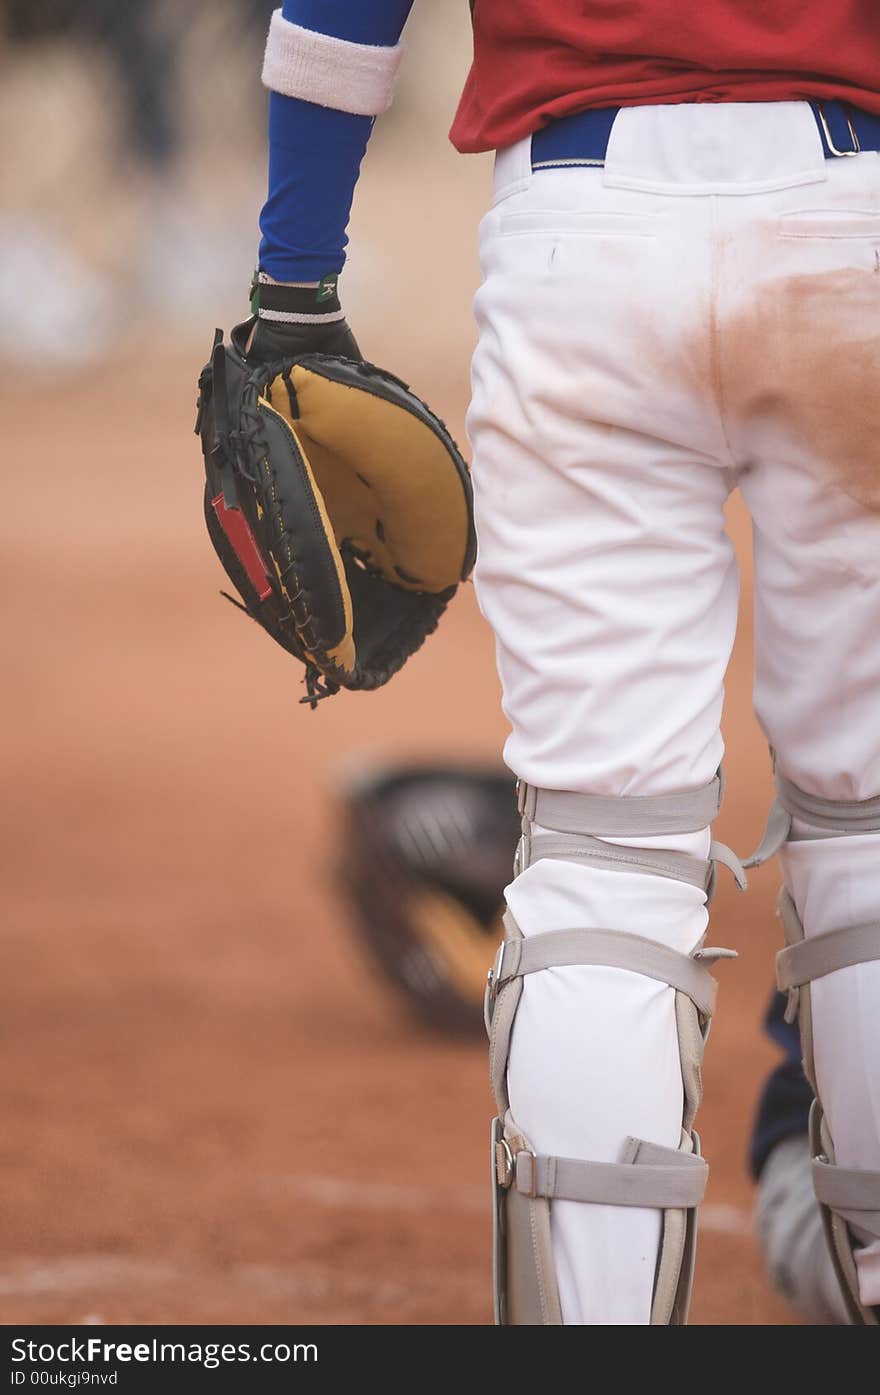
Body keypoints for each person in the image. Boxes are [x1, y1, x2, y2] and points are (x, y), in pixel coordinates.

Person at [242, 2, 880, 1324]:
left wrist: (291, 288)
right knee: (869, 818)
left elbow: (342, 9)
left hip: (582, 233)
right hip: (853, 209)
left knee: (604, 846)